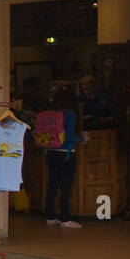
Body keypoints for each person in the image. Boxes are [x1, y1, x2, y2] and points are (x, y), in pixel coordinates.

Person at [41, 86, 83, 229]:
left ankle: (50, 217)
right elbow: (69, 136)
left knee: (52, 184)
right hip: (66, 153)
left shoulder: (52, 112)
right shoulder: (70, 114)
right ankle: (65, 219)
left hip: (50, 152)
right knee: (66, 186)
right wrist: (82, 138)